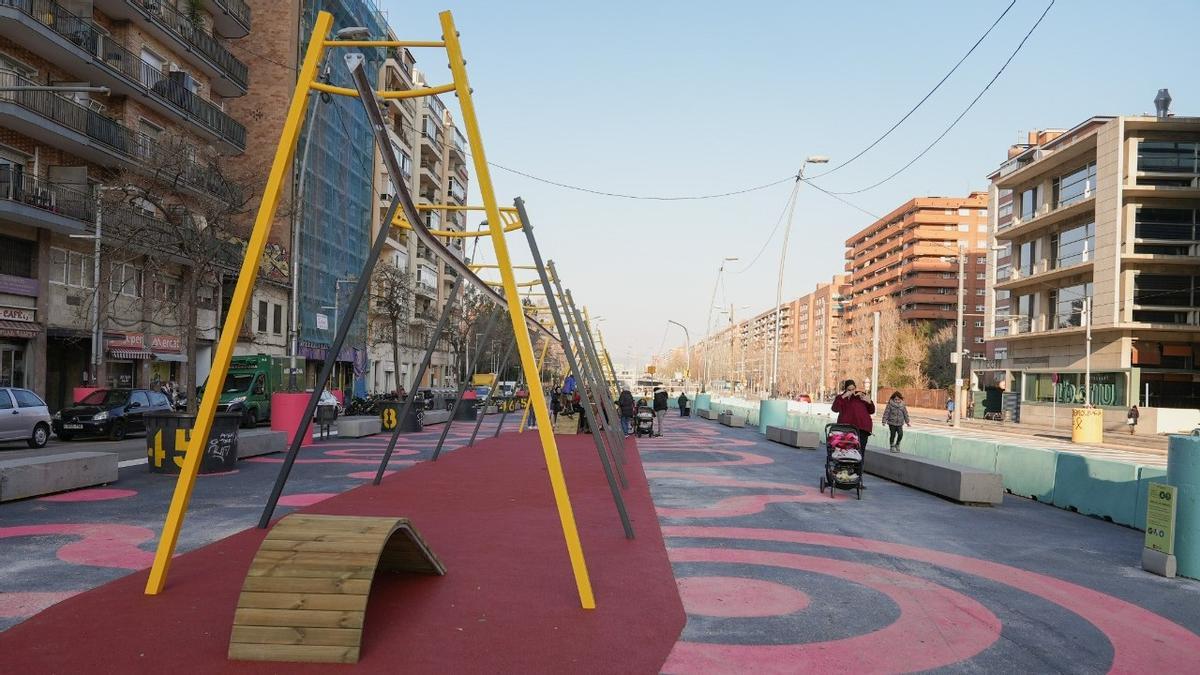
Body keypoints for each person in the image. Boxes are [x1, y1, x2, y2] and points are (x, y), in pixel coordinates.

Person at [831, 379, 875, 453]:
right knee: (846, 448)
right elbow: (835, 409)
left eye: (853, 389)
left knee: (861, 448)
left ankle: (860, 463)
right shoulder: (841, 397)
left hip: (862, 427)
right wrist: (844, 396)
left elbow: (872, 411)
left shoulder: (861, 396)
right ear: (845, 389)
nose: (851, 391)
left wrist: (869, 402)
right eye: (849, 389)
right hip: (846, 428)